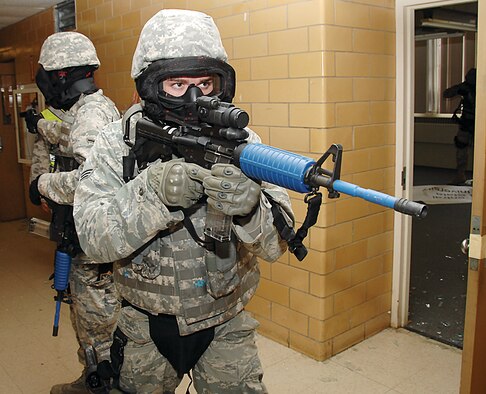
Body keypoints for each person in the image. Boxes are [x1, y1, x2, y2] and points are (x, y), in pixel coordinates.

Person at [73, 9, 294, 393]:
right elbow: (92, 240)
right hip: (143, 324)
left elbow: (279, 245)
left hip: (226, 322)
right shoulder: (116, 143)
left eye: (206, 83)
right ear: (150, 86)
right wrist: (151, 192)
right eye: (177, 84)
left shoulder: (242, 143)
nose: (196, 98)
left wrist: (251, 208)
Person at [27, 32, 121, 394]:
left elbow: (90, 182)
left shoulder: (93, 112)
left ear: (61, 75)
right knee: (85, 310)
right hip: (82, 233)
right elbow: (66, 138)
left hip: (94, 240)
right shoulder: (82, 110)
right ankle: (93, 376)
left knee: (96, 317)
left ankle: (102, 384)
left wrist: (43, 184)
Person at [443, 67, 476, 185]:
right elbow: (446, 93)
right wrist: (461, 89)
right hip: (466, 123)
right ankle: (460, 175)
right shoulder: (465, 87)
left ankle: (477, 177)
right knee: (461, 148)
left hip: (479, 124)